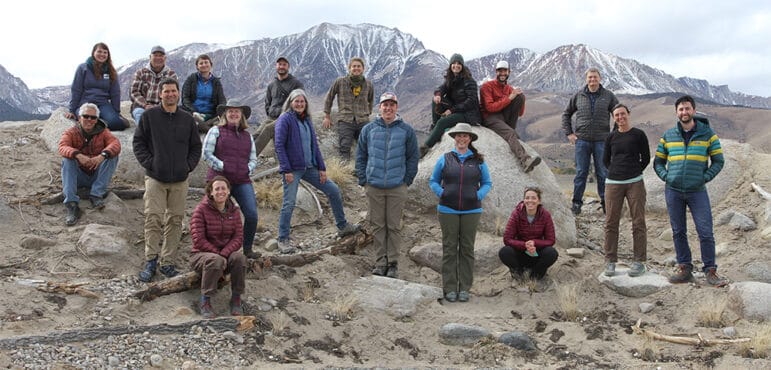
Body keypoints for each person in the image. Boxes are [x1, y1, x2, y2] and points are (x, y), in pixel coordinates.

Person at [654, 95, 727, 287]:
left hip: (697, 191)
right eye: (680, 109)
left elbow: (719, 161)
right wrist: (666, 176)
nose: (684, 112)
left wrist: (705, 177)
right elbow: (659, 161)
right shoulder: (669, 135)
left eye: (687, 109)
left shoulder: (708, 134)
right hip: (674, 190)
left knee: (705, 231)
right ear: (676, 112)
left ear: (693, 111)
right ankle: (684, 269)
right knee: (678, 231)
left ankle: (710, 271)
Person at [275, 89, 361, 253]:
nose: (300, 104)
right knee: (289, 203)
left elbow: (314, 145)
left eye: (302, 101)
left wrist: (321, 168)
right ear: (291, 103)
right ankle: (283, 239)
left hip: (309, 167)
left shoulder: (306, 120)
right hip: (292, 169)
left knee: (333, 190)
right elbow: (279, 146)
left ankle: (342, 226)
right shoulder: (285, 119)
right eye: (296, 101)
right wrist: (286, 169)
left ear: (306, 104)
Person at [133, 78, 202, 282]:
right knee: (153, 218)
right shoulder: (149, 116)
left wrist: (188, 166)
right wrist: (150, 163)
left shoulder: (187, 119)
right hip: (155, 177)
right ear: (160, 94)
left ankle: (168, 262)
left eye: (174, 91)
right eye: (166, 91)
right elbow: (138, 142)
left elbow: (195, 147)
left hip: (180, 179)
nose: (170, 94)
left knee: (175, 220)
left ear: (178, 93)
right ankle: (151, 260)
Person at [356, 92, 419, 279]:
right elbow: (360, 156)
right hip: (373, 184)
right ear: (379, 107)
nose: (388, 108)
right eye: (385, 105)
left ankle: (392, 263)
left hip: (396, 186)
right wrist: (363, 179)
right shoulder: (368, 130)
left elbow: (413, 157)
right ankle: (379, 262)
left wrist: (406, 180)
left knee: (393, 225)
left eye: (392, 105)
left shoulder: (406, 131)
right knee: (377, 225)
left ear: (396, 108)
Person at [429, 123, 492, 302]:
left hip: (472, 210)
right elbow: (433, 180)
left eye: (465, 136)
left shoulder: (478, 161)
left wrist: (477, 195)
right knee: (449, 249)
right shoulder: (445, 158)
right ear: (454, 138)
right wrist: (442, 193)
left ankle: (464, 288)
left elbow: (487, 182)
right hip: (447, 209)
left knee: (467, 249)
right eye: (459, 136)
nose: (462, 139)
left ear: (470, 139)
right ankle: (449, 288)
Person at [202, 100, 260, 259]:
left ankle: (247, 249)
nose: (234, 114)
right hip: (219, 180)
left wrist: (246, 169)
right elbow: (206, 153)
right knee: (214, 216)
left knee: (252, 214)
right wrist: (223, 166)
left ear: (241, 116)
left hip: (241, 180)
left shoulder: (247, 136)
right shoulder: (216, 131)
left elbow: (254, 159)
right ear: (225, 115)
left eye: (237, 112)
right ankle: (213, 252)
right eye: (230, 111)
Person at [561, 68, 619, 215]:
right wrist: (569, 133)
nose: (592, 80)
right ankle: (576, 203)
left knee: (603, 172)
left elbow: (618, 113)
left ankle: (606, 203)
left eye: (595, 77)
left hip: (602, 141)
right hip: (582, 141)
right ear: (586, 79)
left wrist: (613, 134)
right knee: (581, 172)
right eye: (590, 77)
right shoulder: (579, 96)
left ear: (600, 79)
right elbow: (566, 114)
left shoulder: (608, 96)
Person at [602, 104, 650, 277]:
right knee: (610, 222)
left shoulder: (638, 135)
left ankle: (639, 262)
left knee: (638, 221)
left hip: (635, 182)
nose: (620, 117)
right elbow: (605, 160)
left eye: (623, 114)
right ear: (613, 118)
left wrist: (633, 170)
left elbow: (645, 158)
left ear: (628, 114)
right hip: (613, 182)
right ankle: (610, 261)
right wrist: (616, 171)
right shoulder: (611, 137)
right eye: (617, 115)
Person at [190, 176, 247, 318]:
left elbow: (238, 237)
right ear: (210, 192)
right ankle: (205, 301)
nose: (220, 191)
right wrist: (219, 255)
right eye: (217, 189)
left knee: (240, 258)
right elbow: (198, 239)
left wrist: (225, 254)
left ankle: (236, 298)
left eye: (223, 188)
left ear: (228, 191)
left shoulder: (234, 211)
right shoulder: (201, 210)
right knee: (215, 260)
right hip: (201, 255)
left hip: (225, 255)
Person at [58, 103, 121, 225]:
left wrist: (102, 156)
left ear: (97, 119)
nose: (89, 120)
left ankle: (96, 194)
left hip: (97, 174)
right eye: (86, 116)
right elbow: (62, 147)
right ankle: (72, 204)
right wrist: (77, 155)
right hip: (79, 176)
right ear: (79, 117)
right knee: (68, 159)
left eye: (93, 117)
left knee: (112, 156)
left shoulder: (103, 132)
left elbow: (115, 144)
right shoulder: (71, 132)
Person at [480, 60, 540, 172]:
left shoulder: (509, 89)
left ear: (509, 72)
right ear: (496, 72)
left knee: (520, 96)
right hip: (490, 118)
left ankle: (510, 134)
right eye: (499, 71)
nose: (502, 73)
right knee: (511, 133)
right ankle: (525, 160)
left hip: (503, 118)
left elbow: (520, 113)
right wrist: (509, 98)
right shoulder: (487, 86)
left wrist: (521, 99)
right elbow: (490, 108)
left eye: (505, 71)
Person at [420, 53, 482, 157]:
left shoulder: (469, 81)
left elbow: (472, 101)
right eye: (453, 63)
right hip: (456, 108)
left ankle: (424, 149)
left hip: (468, 114)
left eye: (459, 63)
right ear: (450, 65)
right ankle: (436, 130)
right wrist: (438, 95)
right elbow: (440, 88)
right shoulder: (451, 78)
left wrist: (452, 110)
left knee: (442, 122)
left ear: (462, 66)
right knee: (434, 100)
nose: (456, 66)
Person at [498, 187, 558, 289]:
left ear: (539, 201)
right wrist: (524, 245)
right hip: (520, 253)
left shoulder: (545, 215)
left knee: (551, 253)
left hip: (537, 253)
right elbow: (507, 239)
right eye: (527, 198)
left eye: (533, 198)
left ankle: (535, 276)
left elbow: (551, 240)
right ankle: (519, 275)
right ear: (524, 200)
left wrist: (534, 243)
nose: (530, 201)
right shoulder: (516, 214)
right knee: (504, 252)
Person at [65, 42, 127, 131]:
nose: (102, 54)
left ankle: (105, 120)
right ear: (93, 53)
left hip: (103, 104)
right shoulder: (83, 68)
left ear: (108, 55)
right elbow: (76, 90)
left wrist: (116, 112)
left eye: (105, 52)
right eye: (99, 51)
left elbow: (115, 93)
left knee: (115, 124)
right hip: (85, 103)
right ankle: (98, 121)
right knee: (86, 122)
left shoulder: (111, 71)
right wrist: (72, 110)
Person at [322, 57, 374, 161]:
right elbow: (329, 97)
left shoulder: (368, 84)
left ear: (363, 69)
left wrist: (367, 113)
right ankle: (345, 171)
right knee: (344, 147)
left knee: (367, 146)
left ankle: (364, 172)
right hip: (345, 120)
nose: (356, 68)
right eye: (353, 66)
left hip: (362, 120)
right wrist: (327, 116)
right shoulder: (340, 81)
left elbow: (371, 100)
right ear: (349, 68)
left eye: (358, 66)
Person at [254, 56, 305, 157]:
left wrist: (287, 114)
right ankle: (239, 155)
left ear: (288, 67)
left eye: (284, 65)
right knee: (255, 135)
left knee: (268, 129)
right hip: (271, 117)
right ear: (276, 66)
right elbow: (267, 102)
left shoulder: (295, 83)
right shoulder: (272, 85)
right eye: (279, 64)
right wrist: (270, 112)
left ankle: (248, 160)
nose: (281, 66)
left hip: (287, 117)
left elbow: (301, 101)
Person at [130, 46, 178, 125]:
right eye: (155, 55)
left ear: (165, 58)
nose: (158, 58)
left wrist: (159, 108)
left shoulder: (171, 74)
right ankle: (145, 136)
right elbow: (134, 92)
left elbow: (174, 94)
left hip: (164, 107)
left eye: (161, 56)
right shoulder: (141, 73)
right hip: (142, 107)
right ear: (150, 57)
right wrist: (145, 105)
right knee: (142, 117)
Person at [181, 54, 226, 133]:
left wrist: (220, 112)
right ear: (197, 66)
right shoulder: (191, 79)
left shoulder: (216, 82)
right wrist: (193, 111)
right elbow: (185, 97)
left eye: (206, 62)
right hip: (193, 112)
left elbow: (221, 100)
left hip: (210, 114)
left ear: (210, 65)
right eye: (201, 63)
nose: (204, 65)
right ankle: (207, 130)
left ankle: (202, 126)